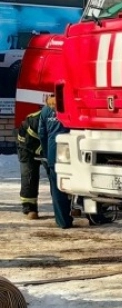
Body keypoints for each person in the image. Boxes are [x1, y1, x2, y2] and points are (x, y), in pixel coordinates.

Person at [35, 94, 74, 229]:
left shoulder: (45, 110)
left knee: (57, 189)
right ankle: (95, 217)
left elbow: (42, 133)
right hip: (71, 153)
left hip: (53, 154)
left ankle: (62, 221)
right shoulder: (70, 106)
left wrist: (47, 152)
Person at [15, 105, 44, 219]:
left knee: (56, 175)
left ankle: (66, 207)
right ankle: (29, 207)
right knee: (29, 175)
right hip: (26, 147)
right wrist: (42, 151)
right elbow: (27, 141)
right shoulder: (34, 120)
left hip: (44, 146)